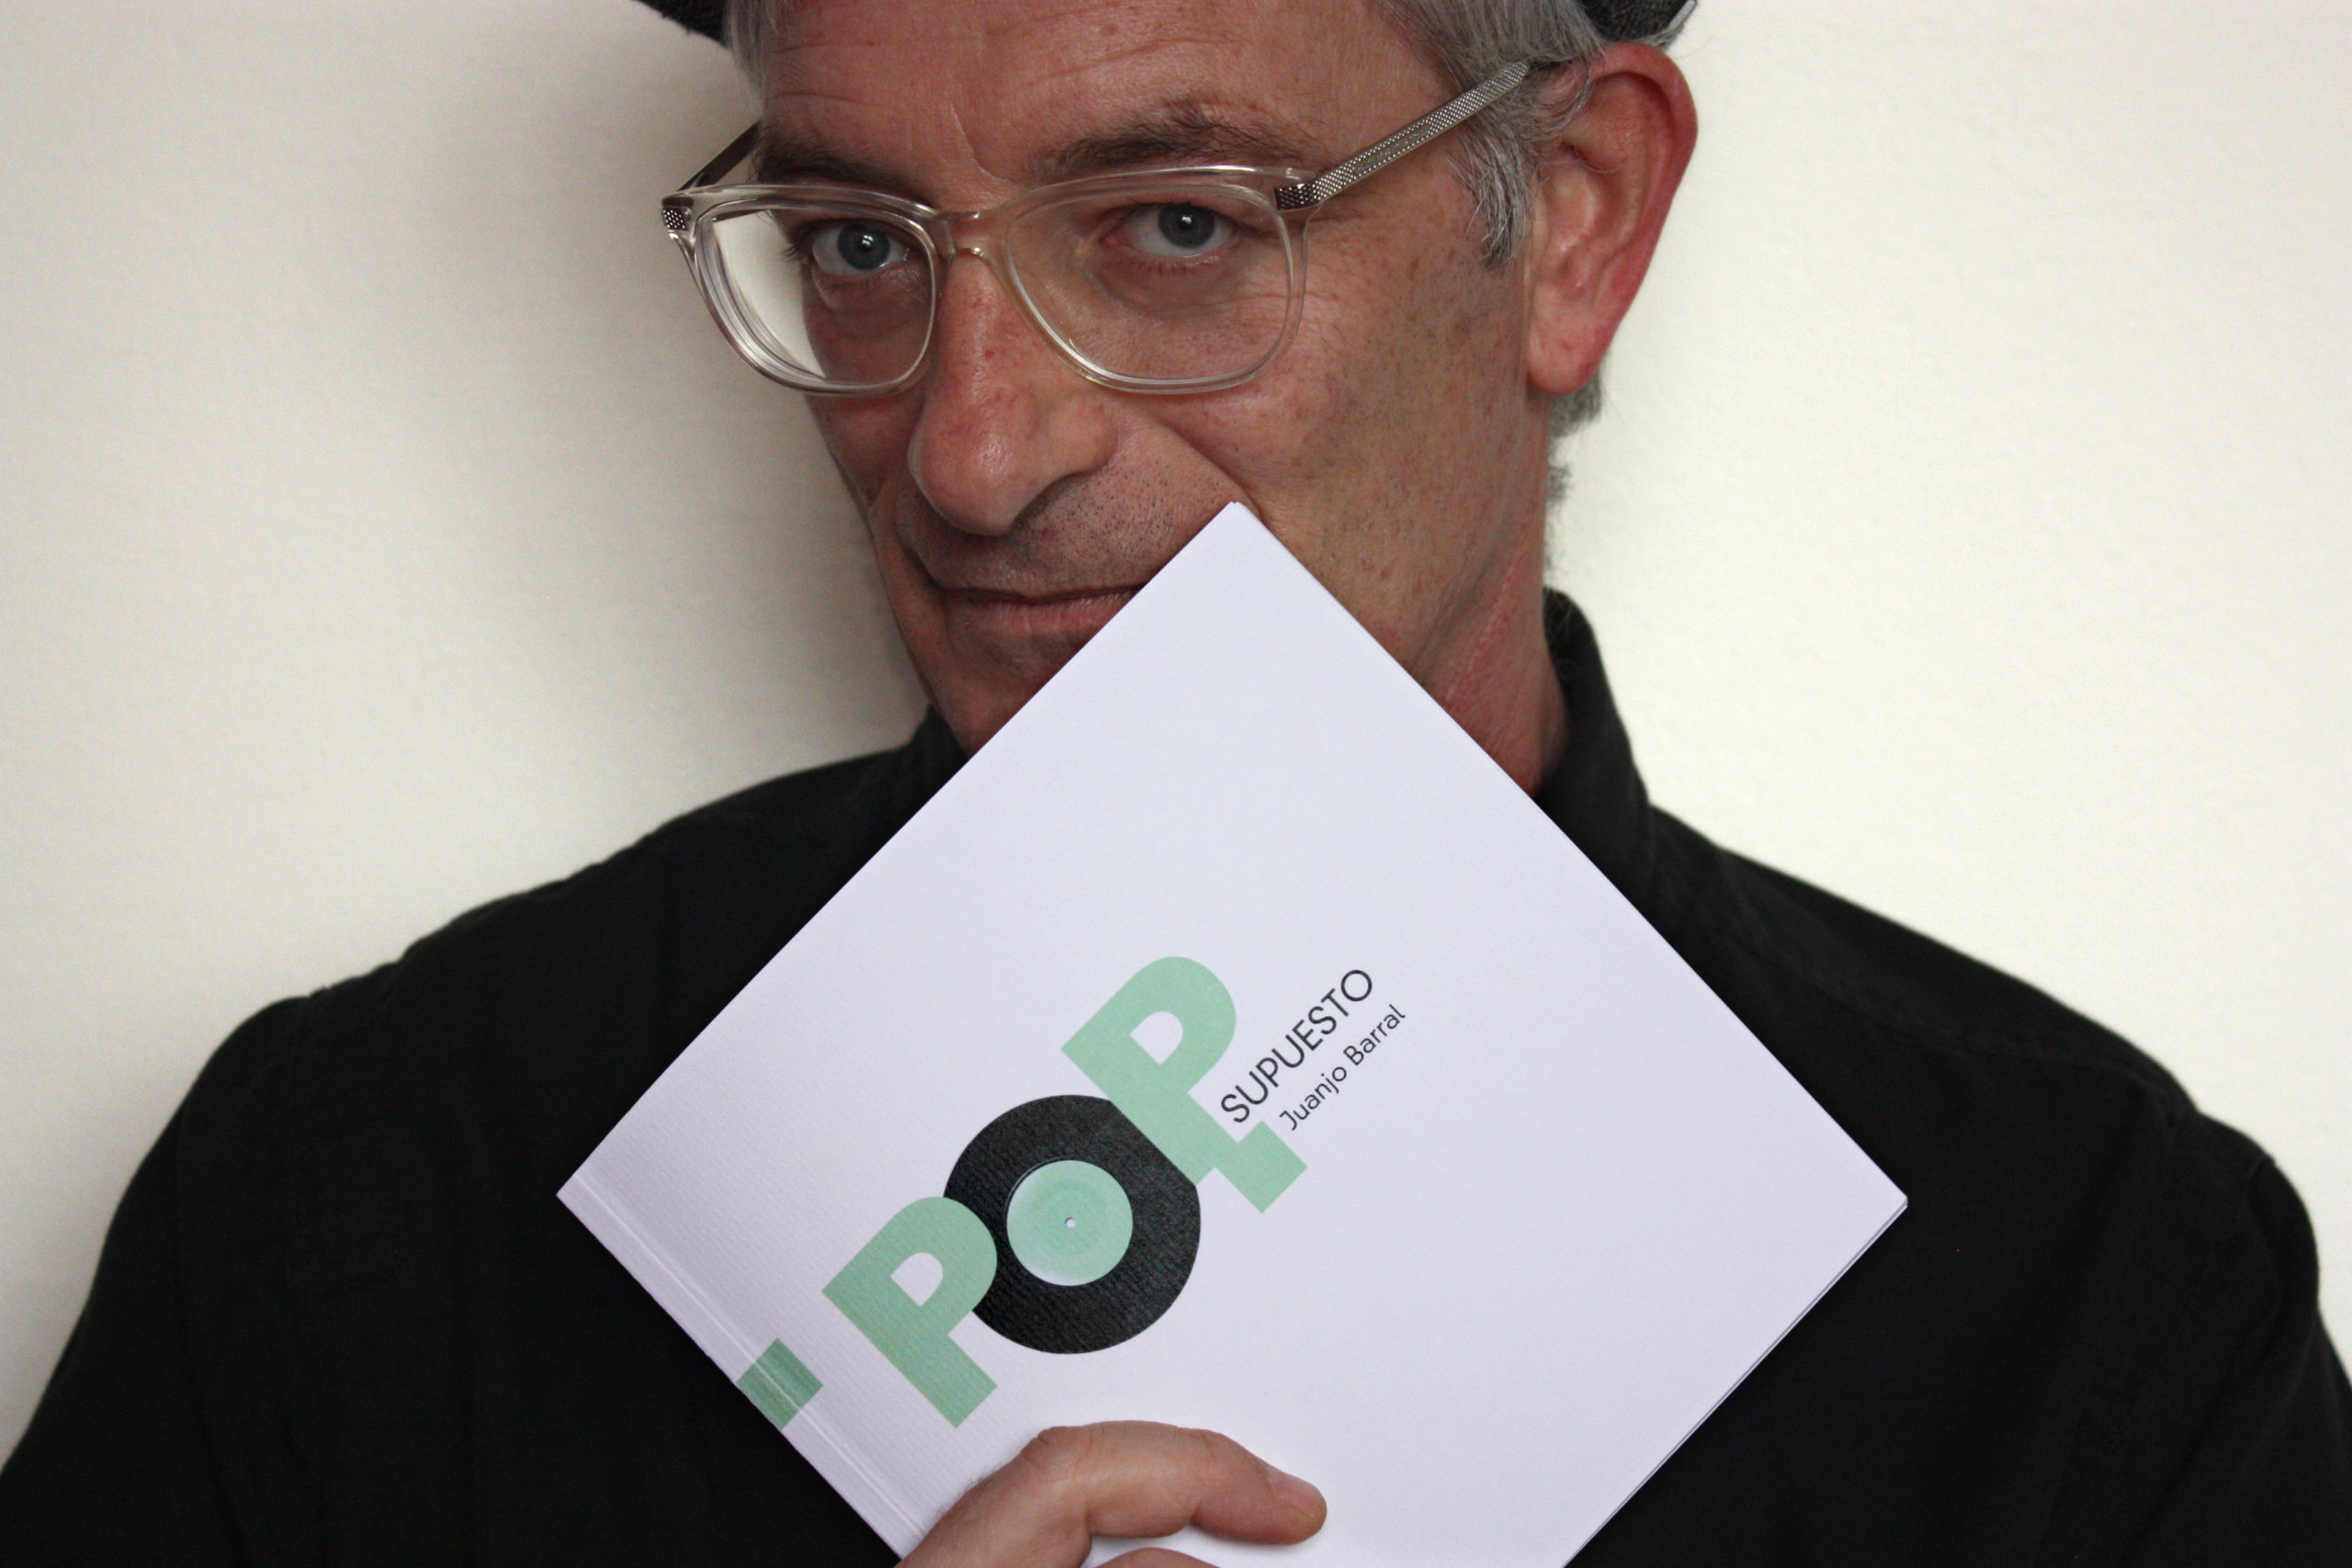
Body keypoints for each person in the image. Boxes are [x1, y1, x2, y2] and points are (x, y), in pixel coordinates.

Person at [3, 0, 2346, 1562]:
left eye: (1176, 224)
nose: (965, 448)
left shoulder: (2084, 1274)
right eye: (858, 244)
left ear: (1575, 222)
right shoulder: (366, 1193)